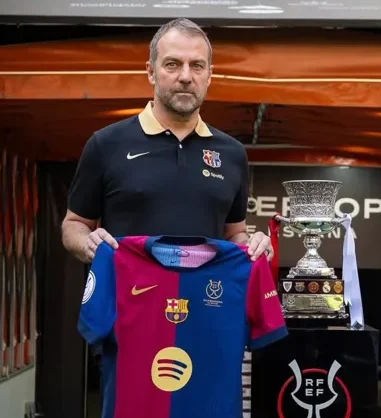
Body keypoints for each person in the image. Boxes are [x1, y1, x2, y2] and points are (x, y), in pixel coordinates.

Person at [62, 17, 272, 266]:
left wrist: (253, 244)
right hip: (129, 290)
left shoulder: (232, 153)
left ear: (209, 75)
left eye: (197, 66)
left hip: (205, 291)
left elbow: (234, 233)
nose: (186, 76)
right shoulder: (106, 144)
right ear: (151, 72)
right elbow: (74, 224)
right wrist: (87, 242)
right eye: (173, 64)